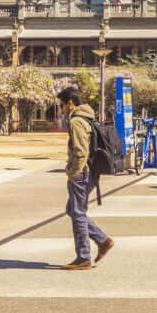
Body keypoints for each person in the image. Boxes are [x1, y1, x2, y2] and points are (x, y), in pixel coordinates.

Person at [58, 86, 114, 270]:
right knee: (73, 210)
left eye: (62, 105)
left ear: (70, 103)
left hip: (82, 173)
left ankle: (83, 257)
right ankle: (102, 240)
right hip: (91, 172)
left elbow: (81, 151)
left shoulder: (76, 121)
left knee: (78, 213)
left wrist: (73, 173)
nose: (61, 109)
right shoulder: (88, 117)